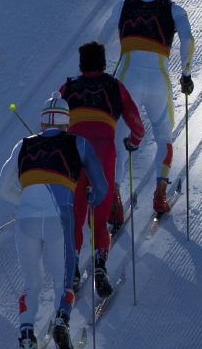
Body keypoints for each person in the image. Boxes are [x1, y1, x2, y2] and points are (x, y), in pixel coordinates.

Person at [0, 97, 107, 349]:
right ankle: (61, 320)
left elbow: (0, 188)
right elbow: (101, 188)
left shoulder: (23, 145)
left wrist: (24, 201)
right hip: (60, 218)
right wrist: (92, 198)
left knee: (32, 282)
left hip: (27, 220)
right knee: (63, 281)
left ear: (43, 122)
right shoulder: (79, 143)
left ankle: (25, 334)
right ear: (67, 123)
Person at [60, 41, 146, 299]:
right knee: (100, 210)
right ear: (105, 64)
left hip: (74, 154)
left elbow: (50, 122)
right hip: (103, 153)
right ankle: (99, 265)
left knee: (75, 213)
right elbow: (137, 125)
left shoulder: (68, 88)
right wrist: (133, 142)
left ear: (80, 65)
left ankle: (72, 269)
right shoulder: (114, 87)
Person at [112, 0, 193, 218]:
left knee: (119, 141)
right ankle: (160, 194)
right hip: (159, 81)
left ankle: (115, 201)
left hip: (127, 81)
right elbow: (188, 39)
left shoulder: (123, 6)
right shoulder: (173, 9)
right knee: (163, 138)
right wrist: (186, 73)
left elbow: (102, 38)